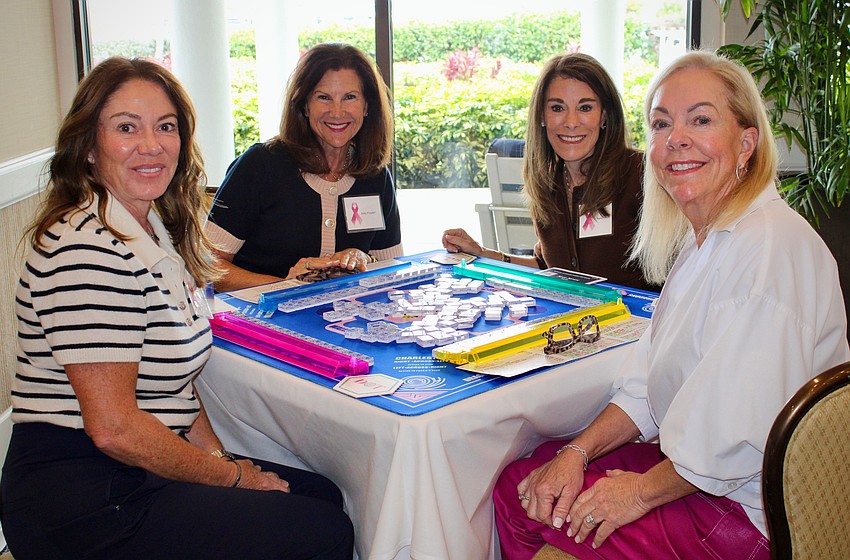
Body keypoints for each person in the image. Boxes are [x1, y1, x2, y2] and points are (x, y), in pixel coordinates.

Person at [493, 50, 849, 560]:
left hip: (746, 514)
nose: (676, 138)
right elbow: (644, 388)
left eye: (700, 120)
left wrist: (635, 494)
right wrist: (577, 452)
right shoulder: (706, 239)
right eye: (662, 123)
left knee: (523, 501)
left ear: (746, 142)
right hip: (705, 477)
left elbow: (732, 441)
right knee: (526, 481)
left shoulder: (770, 247)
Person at [0, 57, 354, 560]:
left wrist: (218, 458)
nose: (151, 145)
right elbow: (116, 429)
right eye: (127, 128)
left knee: (322, 496)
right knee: (320, 529)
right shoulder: (86, 248)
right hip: (82, 495)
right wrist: (231, 476)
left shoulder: (152, 230)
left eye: (165, 127)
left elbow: (177, 389)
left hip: (135, 465)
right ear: (89, 148)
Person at [442, 53, 651, 290]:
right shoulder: (550, 185)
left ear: (604, 115)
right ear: (542, 116)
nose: (571, 122)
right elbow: (549, 270)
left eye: (585, 107)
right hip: (580, 323)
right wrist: (482, 254)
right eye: (557, 107)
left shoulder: (642, 175)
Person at [205, 43, 403, 291]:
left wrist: (364, 259)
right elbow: (206, 268)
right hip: (258, 322)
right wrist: (285, 286)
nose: (337, 112)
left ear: (367, 107)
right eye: (324, 97)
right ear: (304, 105)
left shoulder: (375, 175)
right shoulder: (260, 166)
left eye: (350, 97)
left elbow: (392, 271)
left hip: (339, 324)